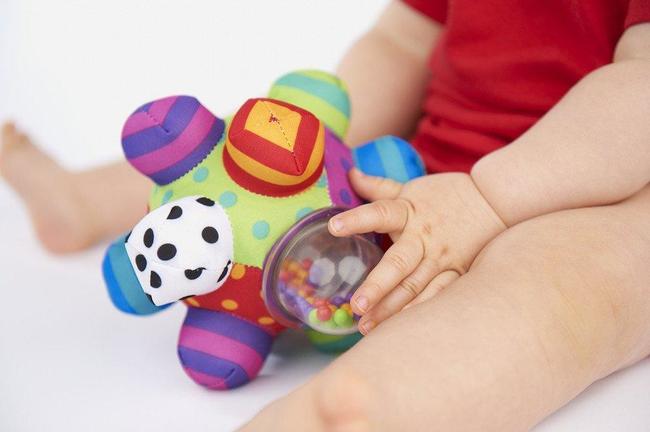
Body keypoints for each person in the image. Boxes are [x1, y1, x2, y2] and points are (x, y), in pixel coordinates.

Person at [3, 1, 650, 430]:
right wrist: (323, 144)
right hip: (423, 173)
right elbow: (401, 42)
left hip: (606, 194)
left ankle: (357, 408)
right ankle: (87, 199)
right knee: (250, 156)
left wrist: (489, 198)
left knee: (569, 288)